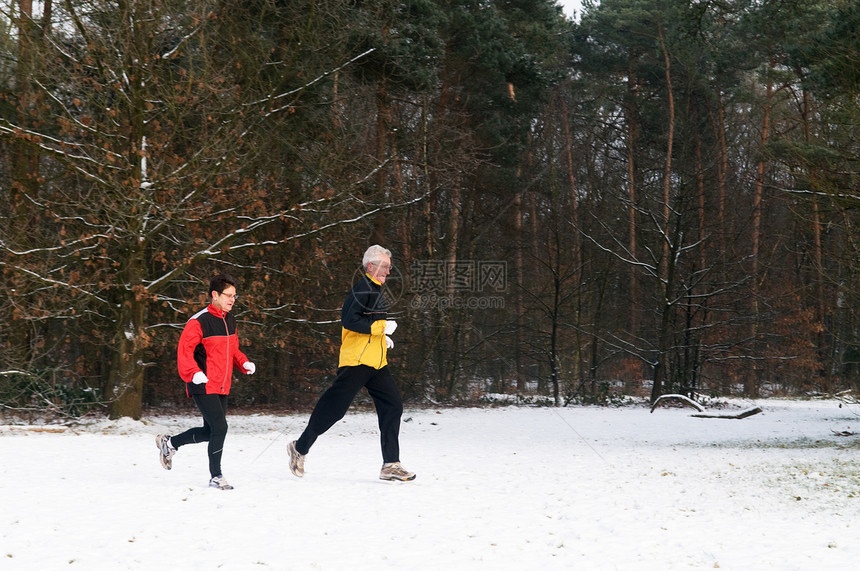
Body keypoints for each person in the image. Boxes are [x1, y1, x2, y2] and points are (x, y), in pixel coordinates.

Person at [287, 245, 415, 481]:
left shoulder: (375, 290)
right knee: (334, 409)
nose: (388, 271)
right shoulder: (362, 289)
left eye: (389, 267)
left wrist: (382, 338)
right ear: (371, 266)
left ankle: (391, 464)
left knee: (393, 405)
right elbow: (350, 321)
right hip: (357, 361)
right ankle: (300, 447)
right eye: (385, 267)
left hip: (376, 363)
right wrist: (381, 327)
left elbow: (367, 324)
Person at [156, 273, 256, 490]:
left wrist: (244, 362)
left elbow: (233, 350)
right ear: (215, 295)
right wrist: (193, 373)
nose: (232, 300)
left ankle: (170, 443)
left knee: (211, 431)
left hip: (222, 383)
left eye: (234, 296)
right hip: (201, 382)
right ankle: (216, 476)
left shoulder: (230, 320)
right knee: (221, 427)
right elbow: (185, 352)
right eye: (228, 295)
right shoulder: (198, 322)